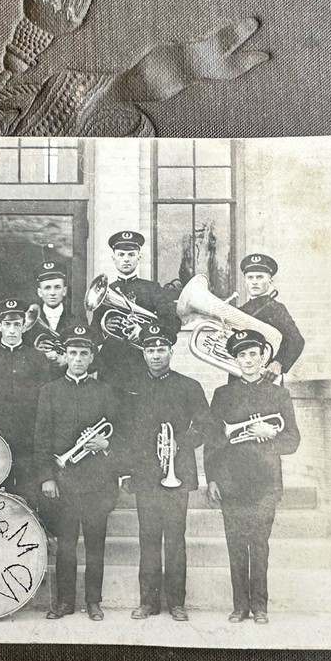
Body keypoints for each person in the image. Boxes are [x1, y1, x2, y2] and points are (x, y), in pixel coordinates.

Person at [205, 329, 301, 624]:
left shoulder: (279, 394)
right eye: (242, 355)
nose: (248, 360)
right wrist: (212, 479)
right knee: (235, 544)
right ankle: (240, 606)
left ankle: (260, 607)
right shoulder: (223, 394)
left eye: (253, 355)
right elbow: (212, 440)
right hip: (231, 479)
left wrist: (270, 434)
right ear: (235, 360)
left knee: (259, 544)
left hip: (265, 481)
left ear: (263, 359)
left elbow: (293, 440)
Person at [122, 322, 210, 622]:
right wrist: (127, 472)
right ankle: (147, 601)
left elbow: (204, 427)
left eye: (161, 349)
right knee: (148, 538)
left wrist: (179, 441)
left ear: (171, 351)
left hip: (177, 474)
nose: (156, 355)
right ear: (143, 353)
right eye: (150, 350)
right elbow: (125, 432)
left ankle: (176, 602)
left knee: (175, 538)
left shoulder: (189, 386)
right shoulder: (132, 386)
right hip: (145, 474)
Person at [35, 325, 120, 621]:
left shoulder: (105, 391)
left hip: (98, 481)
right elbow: (42, 439)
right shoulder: (49, 391)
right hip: (65, 480)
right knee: (66, 547)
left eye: (84, 353)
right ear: (65, 356)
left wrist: (105, 443)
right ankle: (64, 602)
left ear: (92, 357)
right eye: (73, 353)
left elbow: (119, 431)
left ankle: (93, 601)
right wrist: (47, 476)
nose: (78, 359)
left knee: (96, 545)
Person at [0, 299, 50, 506]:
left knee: (27, 497)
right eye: (7, 324)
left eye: (17, 324)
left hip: (28, 441)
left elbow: (45, 403)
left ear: (24, 326)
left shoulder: (37, 359)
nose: (12, 330)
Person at [90, 231, 181, 391]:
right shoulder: (106, 291)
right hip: (111, 367)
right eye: (121, 254)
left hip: (144, 366)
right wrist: (106, 330)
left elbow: (172, 323)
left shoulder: (153, 289)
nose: (126, 259)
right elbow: (94, 334)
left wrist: (144, 331)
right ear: (114, 258)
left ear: (139, 258)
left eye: (131, 254)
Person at [238, 253, 305, 382]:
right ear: (245, 281)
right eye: (250, 278)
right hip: (238, 378)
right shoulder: (240, 311)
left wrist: (278, 364)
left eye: (259, 277)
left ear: (270, 281)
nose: (254, 282)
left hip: (266, 378)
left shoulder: (276, 309)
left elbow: (296, 340)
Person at [24, 260, 84, 377]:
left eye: (57, 287)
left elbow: (91, 359)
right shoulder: (28, 320)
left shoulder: (77, 320)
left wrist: (68, 360)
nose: (52, 293)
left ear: (64, 291)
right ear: (40, 292)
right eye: (47, 288)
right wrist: (38, 355)